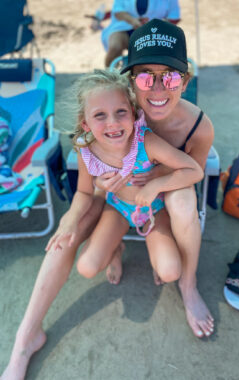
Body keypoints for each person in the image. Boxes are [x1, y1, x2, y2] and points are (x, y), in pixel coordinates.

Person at [0, 68, 204, 380]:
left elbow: (193, 170)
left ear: (134, 114)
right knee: (86, 266)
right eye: (100, 116)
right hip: (117, 209)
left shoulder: (145, 141)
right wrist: (68, 220)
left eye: (121, 112)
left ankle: (147, 253)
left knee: (170, 271)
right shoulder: (86, 148)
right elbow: (84, 192)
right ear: (85, 123)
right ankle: (116, 249)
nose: (112, 123)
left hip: (152, 211)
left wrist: (153, 187)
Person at [97, 18, 216, 338]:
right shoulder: (120, 114)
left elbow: (195, 170)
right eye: (146, 78)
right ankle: (118, 248)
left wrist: (157, 179)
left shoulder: (199, 127)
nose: (159, 89)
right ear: (131, 82)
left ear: (186, 81)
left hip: (167, 190)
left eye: (171, 77)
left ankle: (188, 285)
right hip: (126, 194)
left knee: (181, 199)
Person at [102, 0, 180, 67]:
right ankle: (109, 75)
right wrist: (133, 21)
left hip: (155, 32)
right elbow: (117, 11)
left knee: (153, 58)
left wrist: (155, 26)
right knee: (115, 46)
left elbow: (174, 18)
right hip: (124, 27)